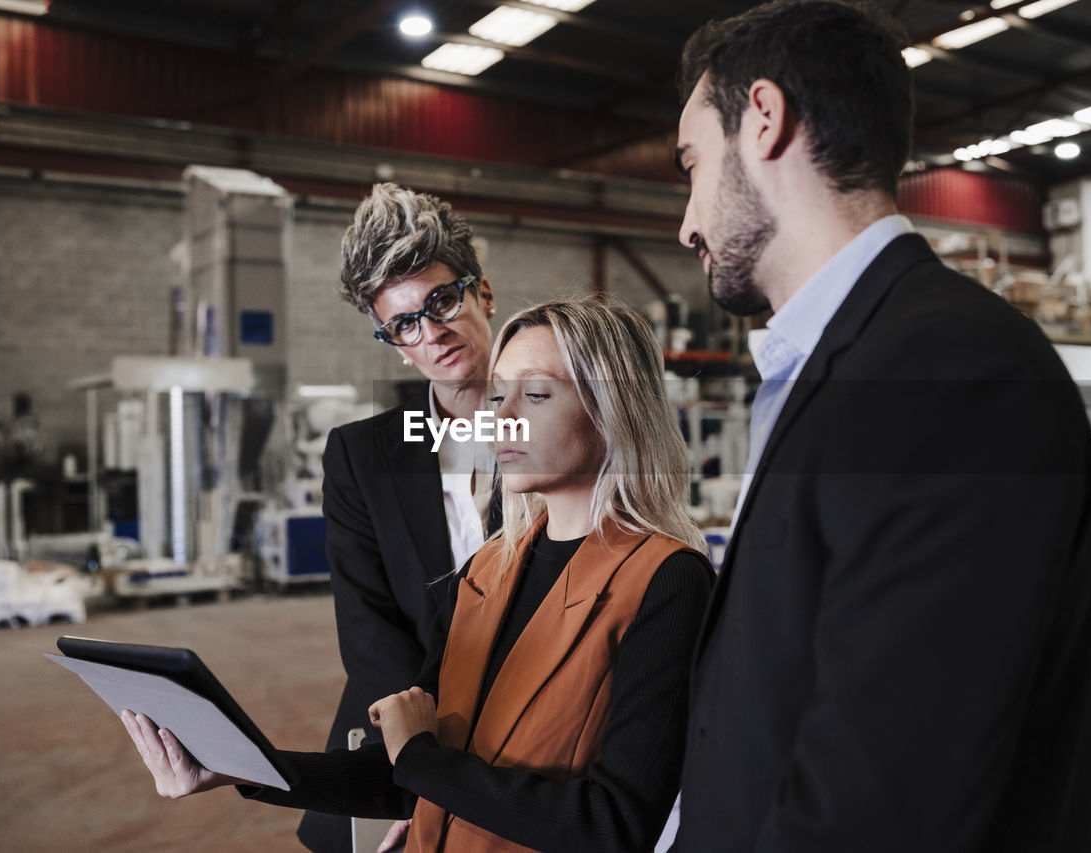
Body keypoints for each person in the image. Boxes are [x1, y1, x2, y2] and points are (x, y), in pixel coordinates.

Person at [671, 2, 1091, 850]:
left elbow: (882, 805)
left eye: (692, 164)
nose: (686, 222)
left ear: (763, 120)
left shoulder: (949, 375)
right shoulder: (842, 362)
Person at [121, 296, 715, 853]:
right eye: (499, 394)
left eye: (535, 396)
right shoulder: (487, 569)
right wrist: (246, 767)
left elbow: (617, 824)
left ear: (614, 410)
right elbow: (407, 776)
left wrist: (420, 760)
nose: (499, 417)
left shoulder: (666, 581)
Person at [302, 182, 503, 853]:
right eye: (405, 323)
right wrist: (416, 764)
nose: (432, 330)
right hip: (399, 736)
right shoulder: (362, 455)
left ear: (484, 294)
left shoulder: (564, 429)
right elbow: (368, 629)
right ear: (394, 343)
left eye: (442, 299)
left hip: (530, 728)